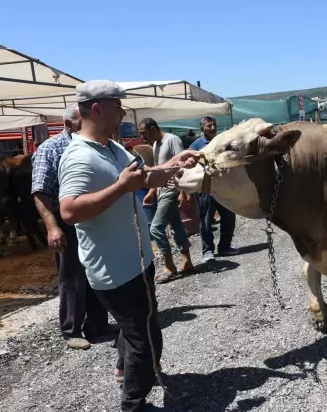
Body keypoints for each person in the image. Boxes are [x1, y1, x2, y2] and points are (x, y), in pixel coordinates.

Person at [58, 80, 203, 412]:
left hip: (136, 262)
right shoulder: (79, 156)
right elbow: (68, 211)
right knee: (144, 340)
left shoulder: (113, 148)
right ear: (96, 108)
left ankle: (127, 372)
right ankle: (133, 405)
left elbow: (144, 177)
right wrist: (121, 188)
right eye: (118, 105)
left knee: (138, 327)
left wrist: (176, 163)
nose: (123, 110)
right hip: (114, 268)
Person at [31, 103, 110, 350]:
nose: (86, 125)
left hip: (91, 216)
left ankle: (97, 324)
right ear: (67, 124)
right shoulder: (50, 150)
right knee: (72, 275)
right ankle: (71, 329)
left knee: (96, 270)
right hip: (66, 220)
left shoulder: (92, 144)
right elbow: (40, 192)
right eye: (80, 122)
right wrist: (52, 227)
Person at [138, 118, 195, 283]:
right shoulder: (156, 145)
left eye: (144, 133)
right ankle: (187, 262)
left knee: (155, 228)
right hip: (161, 191)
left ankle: (169, 266)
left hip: (172, 190)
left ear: (153, 128)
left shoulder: (172, 140)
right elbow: (160, 171)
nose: (143, 138)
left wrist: (183, 191)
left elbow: (183, 165)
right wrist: (151, 192)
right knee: (177, 226)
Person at [189, 116, 239, 261]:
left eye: (214, 125)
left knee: (229, 217)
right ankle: (208, 251)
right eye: (209, 125)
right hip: (206, 189)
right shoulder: (195, 146)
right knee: (206, 220)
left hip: (223, 187)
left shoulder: (221, 142)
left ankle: (224, 247)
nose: (212, 128)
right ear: (202, 128)